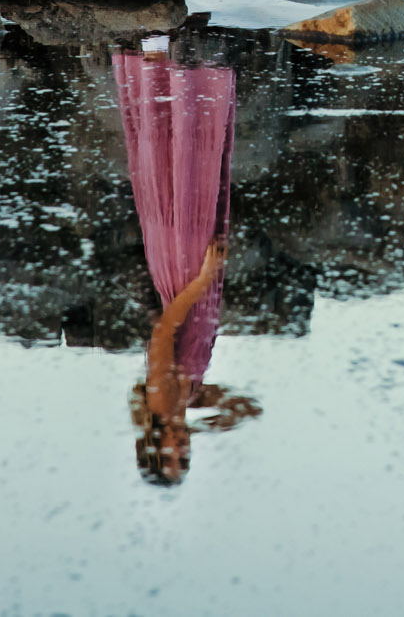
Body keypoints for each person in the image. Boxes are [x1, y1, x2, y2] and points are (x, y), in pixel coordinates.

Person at [116, 33, 258, 484]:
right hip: (188, 277)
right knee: (182, 176)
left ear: (154, 448)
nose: (184, 449)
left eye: (174, 456)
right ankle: (155, 54)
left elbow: (163, 334)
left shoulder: (162, 403)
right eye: (185, 459)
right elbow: (248, 405)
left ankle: (158, 55)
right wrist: (228, 418)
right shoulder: (184, 403)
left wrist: (202, 277)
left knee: (183, 179)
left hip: (185, 275)